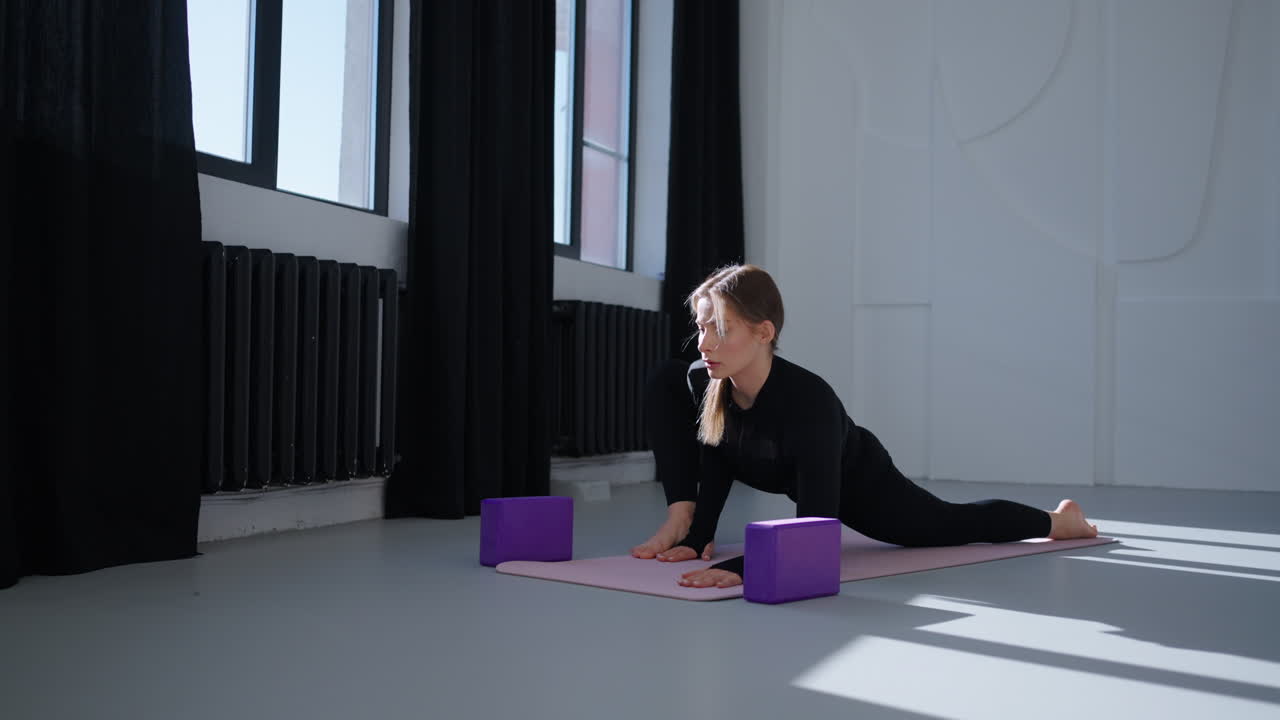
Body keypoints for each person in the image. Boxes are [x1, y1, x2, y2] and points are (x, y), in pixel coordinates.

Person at [631, 264, 1099, 590]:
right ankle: (1060, 519)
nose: (705, 343)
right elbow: (718, 453)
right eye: (702, 327)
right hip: (786, 473)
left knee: (950, 523)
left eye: (723, 329)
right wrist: (698, 538)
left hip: (863, 484)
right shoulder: (706, 380)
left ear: (764, 332)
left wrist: (743, 567)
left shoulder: (810, 402)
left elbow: (816, 532)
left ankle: (1061, 522)